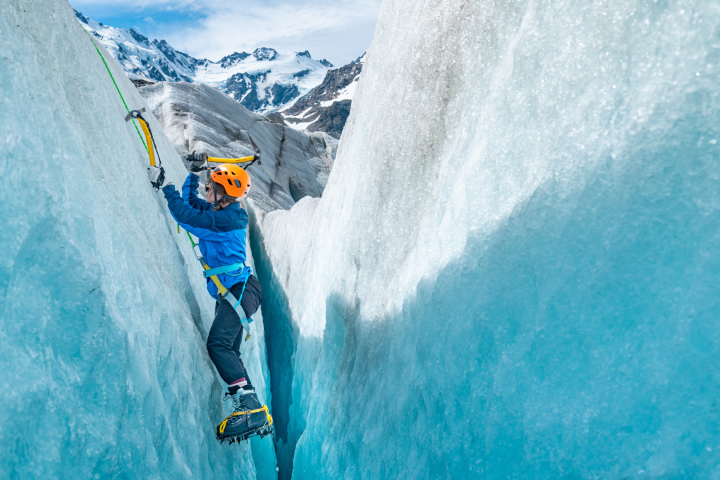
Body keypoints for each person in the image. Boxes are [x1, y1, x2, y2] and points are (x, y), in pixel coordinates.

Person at [148, 153, 270, 441]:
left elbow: (187, 216)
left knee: (218, 344)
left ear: (224, 194)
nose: (206, 190)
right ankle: (252, 409)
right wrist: (192, 174)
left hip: (240, 291)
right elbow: (193, 205)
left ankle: (250, 407)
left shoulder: (223, 221)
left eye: (210, 186)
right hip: (237, 291)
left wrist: (166, 187)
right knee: (228, 349)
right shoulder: (224, 213)